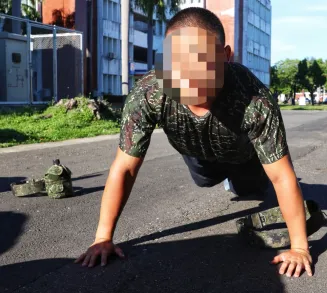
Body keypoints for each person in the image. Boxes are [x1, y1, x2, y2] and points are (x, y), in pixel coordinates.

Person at [75, 7, 313, 278]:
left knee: (250, 188)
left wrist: (299, 247)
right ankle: (219, 175)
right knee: (204, 180)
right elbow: (125, 167)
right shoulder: (150, 92)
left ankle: (237, 178)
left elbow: (282, 176)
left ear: (225, 56)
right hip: (196, 152)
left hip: (245, 155)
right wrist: (102, 237)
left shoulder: (255, 98)